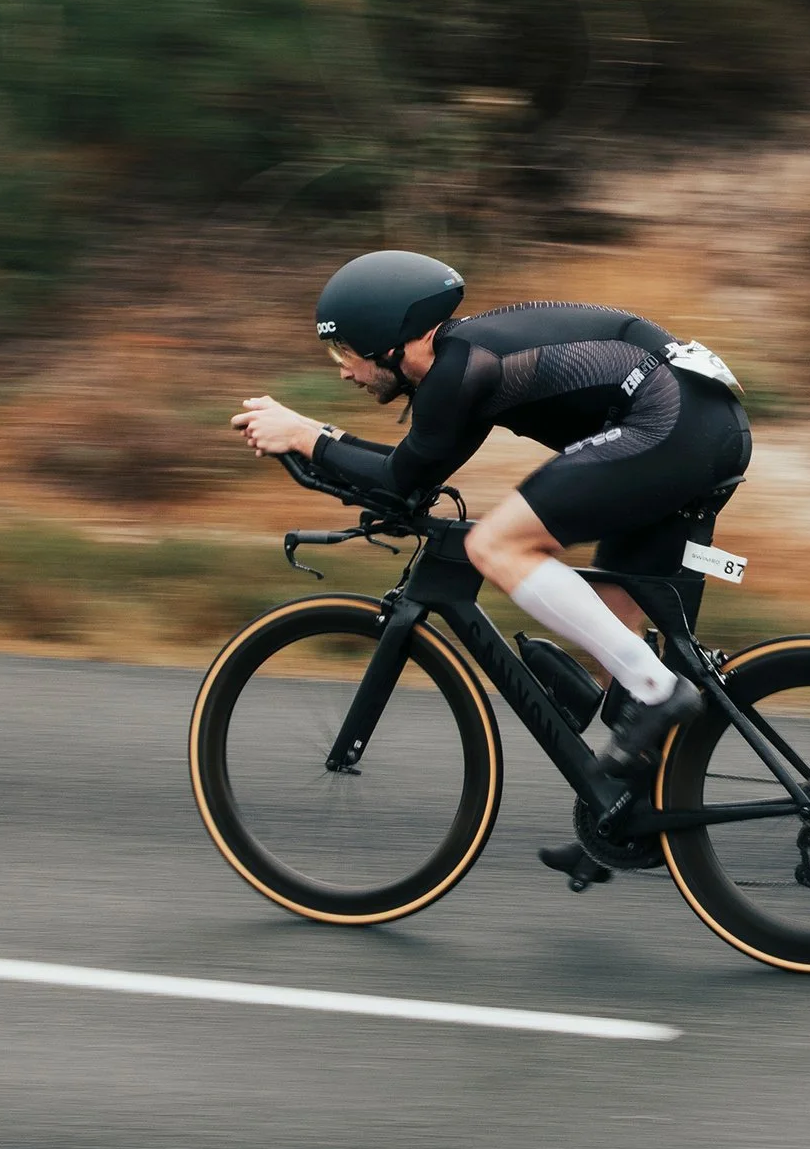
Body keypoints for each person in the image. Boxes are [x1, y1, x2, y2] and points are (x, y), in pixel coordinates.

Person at [231, 250, 752, 782]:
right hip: (703, 426)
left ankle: (658, 690)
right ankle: (635, 813)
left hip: (670, 426)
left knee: (494, 546)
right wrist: (316, 440)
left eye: (341, 350)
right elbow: (410, 474)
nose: (342, 371)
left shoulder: (461, 367)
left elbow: (398, 481)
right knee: (615, 633)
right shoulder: (470, 360)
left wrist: (304, 435)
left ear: (384, 341)